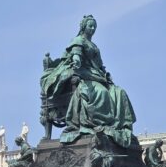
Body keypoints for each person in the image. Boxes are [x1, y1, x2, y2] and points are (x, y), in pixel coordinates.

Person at [40, 15, 136, 148]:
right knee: (101, 92)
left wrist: (105, 75)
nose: (92, 29)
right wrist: (77, 60)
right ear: (83, 27)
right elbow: (76, 55)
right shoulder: (78, 40)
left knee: (119, 92)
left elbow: (100, 66)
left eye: (94, 26)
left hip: (96, 75)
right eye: (90, 26)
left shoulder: (94, 46)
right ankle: (98, 125)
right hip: (83, 74)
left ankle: (118, 126)